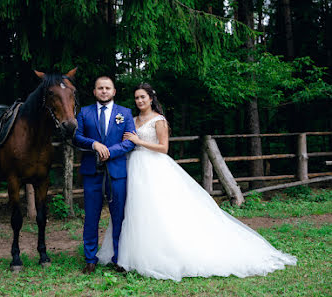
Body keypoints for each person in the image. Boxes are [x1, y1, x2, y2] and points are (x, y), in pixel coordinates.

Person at [96, 83, 297, 280]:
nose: (139, 100)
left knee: (157, 210)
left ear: (151, 98)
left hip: (153, 166)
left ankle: (161, 252)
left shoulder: (159, 120)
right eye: (137, 97)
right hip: (133, 166)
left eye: (143, 97)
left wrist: (138, 141)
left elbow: (164, 148)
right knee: (133, 209)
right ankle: (128, 254)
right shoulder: (132, 119)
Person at [73, 76, 136, 274]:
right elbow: (76, 137)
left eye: (107, 88)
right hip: (92, 173)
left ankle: (119, 258)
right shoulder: (84, 112)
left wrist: (110, 151)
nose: (104, 91)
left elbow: (131, 141)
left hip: (117, 173)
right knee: (91, 217)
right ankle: (90, 259)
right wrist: (94, 144)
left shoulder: (125, 113)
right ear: (94, 91)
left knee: (119, 217)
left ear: (114, 91)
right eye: (100, 88)